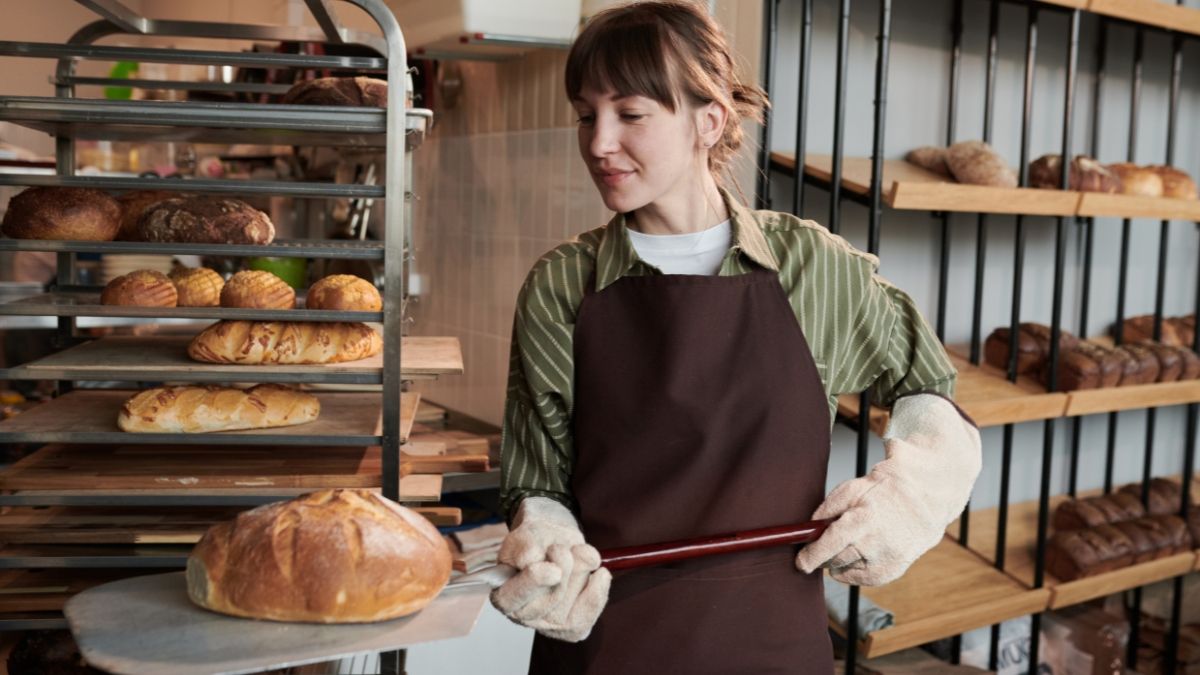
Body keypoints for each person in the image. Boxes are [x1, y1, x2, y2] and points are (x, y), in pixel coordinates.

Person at [490, 2, 982, 673]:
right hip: (607, 647)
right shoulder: (561, 286)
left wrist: (913, 491)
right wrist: (543, 532)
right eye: (586, 114)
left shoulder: (815, 269)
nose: (599, 142)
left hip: (773, 646)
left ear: (709, 120)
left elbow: (927, 386)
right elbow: (536, 479)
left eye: (629, 114)